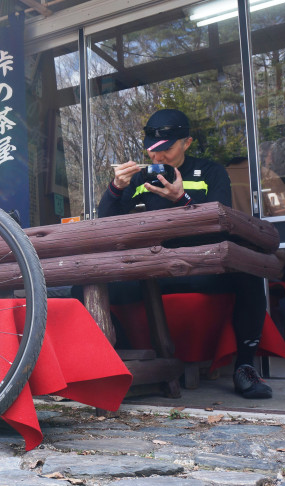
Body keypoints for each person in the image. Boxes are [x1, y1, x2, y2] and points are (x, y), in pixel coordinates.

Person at [97, 108, 272, 399]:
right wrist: (116, 188)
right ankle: (129, 358)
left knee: (249, 270)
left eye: (165, 149)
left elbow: (222, 224)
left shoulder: (211, 171)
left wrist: (182, 200)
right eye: (152, 150)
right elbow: (104, 223)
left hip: (197, 269)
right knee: (84, 285)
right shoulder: (141, 179)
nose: (157, 157)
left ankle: (245, 366)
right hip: (148, 272)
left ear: (186, 143)